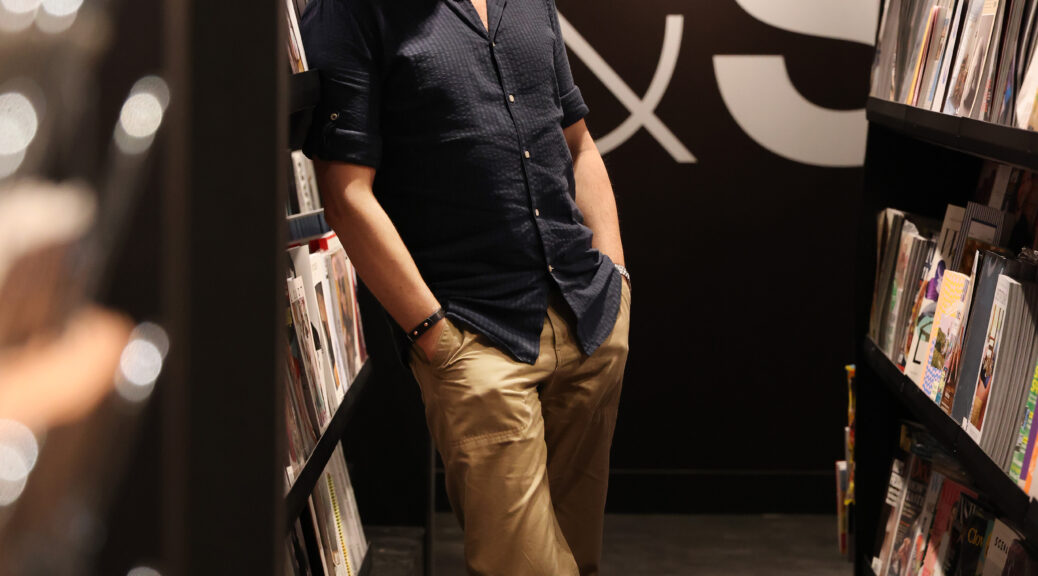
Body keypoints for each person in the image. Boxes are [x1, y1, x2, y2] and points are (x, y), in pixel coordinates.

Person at [300, 0, 630, 574]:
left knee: (581, 561)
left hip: (587, 317)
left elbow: (577, 142)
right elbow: (346, 194)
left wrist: (615, 278)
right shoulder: (350, 11)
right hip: (474, 337)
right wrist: (435, 337)